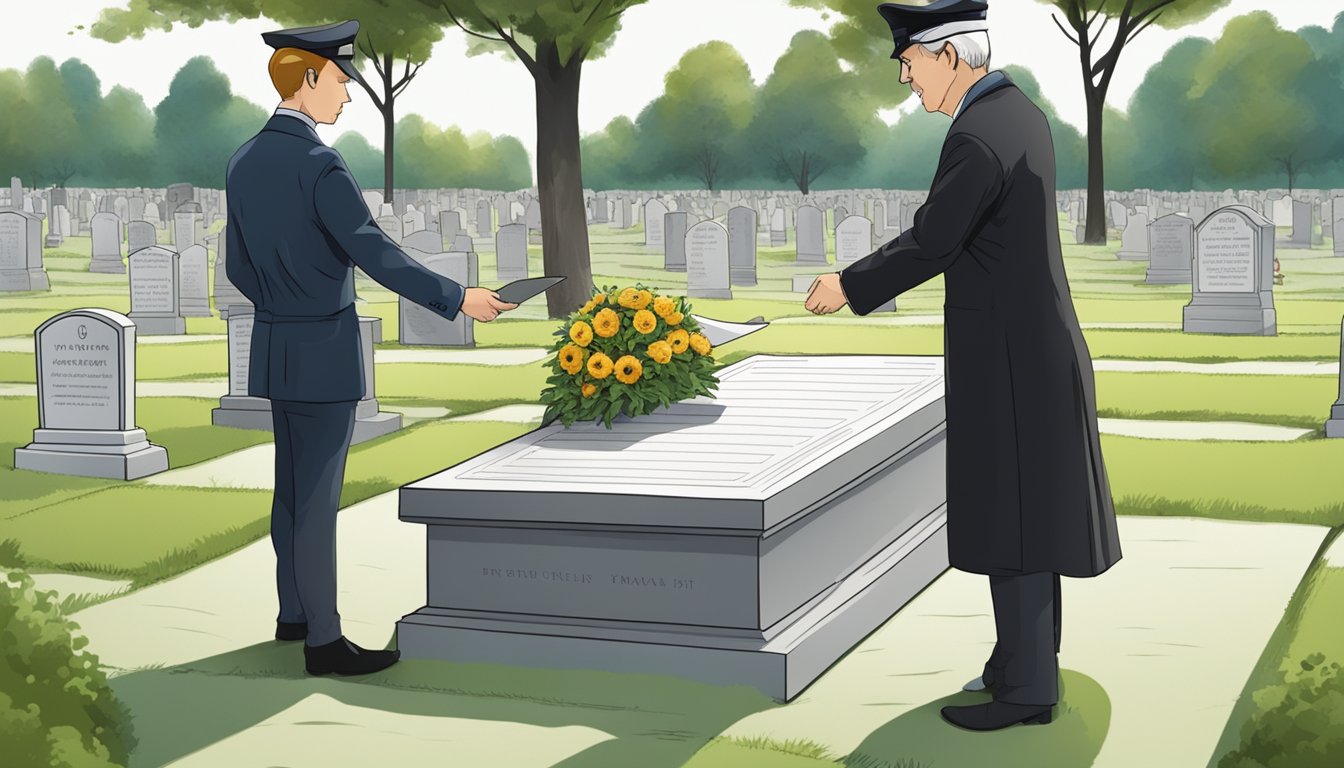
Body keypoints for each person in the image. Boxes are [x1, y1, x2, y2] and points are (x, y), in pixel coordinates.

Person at [805, 0, 1122, 731]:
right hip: (1028, 347)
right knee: (1028, 514)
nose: (906, 81)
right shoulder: (1019, 114)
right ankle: (1021, 661)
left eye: (910, 64)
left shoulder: (977, 136)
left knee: (1015, 518)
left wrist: (849, 285)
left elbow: (934, 240)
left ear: (950, 55)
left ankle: (1027, 690)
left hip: (1011, 359)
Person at [224, 20, 518, 677]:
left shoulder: (244, 160)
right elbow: (373, 252)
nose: (349, 95)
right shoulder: (319, 163)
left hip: (274, 342)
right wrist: (455, 297)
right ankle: (324, 643)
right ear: (308, 80)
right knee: (317, 498)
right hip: (324, 344)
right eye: (339, 80)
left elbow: (237, 265)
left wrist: (282, 298)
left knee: (290, 490)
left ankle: (292, 613)